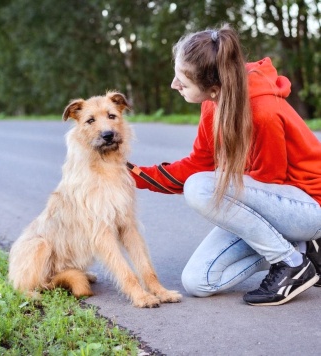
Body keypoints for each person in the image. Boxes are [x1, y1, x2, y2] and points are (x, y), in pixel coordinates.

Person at [128, 23, 321, 306]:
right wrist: (133, 174)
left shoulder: (263, 112)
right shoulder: (213, 104)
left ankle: (291, 263)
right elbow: (198, 164)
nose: (174, 84)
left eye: (183, 80)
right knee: (198, 281)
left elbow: (271, 181)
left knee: (201, 188)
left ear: (214, 87)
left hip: (307, 208)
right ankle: (304, 250)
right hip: (272, 207)